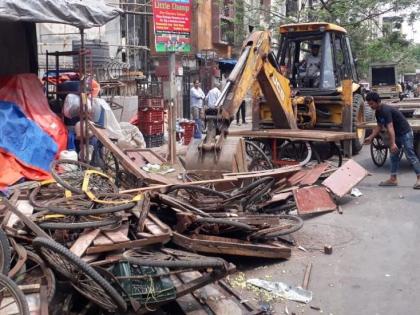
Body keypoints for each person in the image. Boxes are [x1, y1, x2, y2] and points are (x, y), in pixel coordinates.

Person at [364, 92, 420, 188]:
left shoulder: (385, 110)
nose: (370, 106)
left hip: (405, 133)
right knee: (393, 156)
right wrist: (370, 137)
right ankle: (393, 179)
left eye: (372, 104)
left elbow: (390, 127)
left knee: (410, 155)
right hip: (397, 134)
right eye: (369, 104)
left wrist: (393, 143)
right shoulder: (378, 112)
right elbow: (379, 126)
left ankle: (419, 179)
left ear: (378, 102)